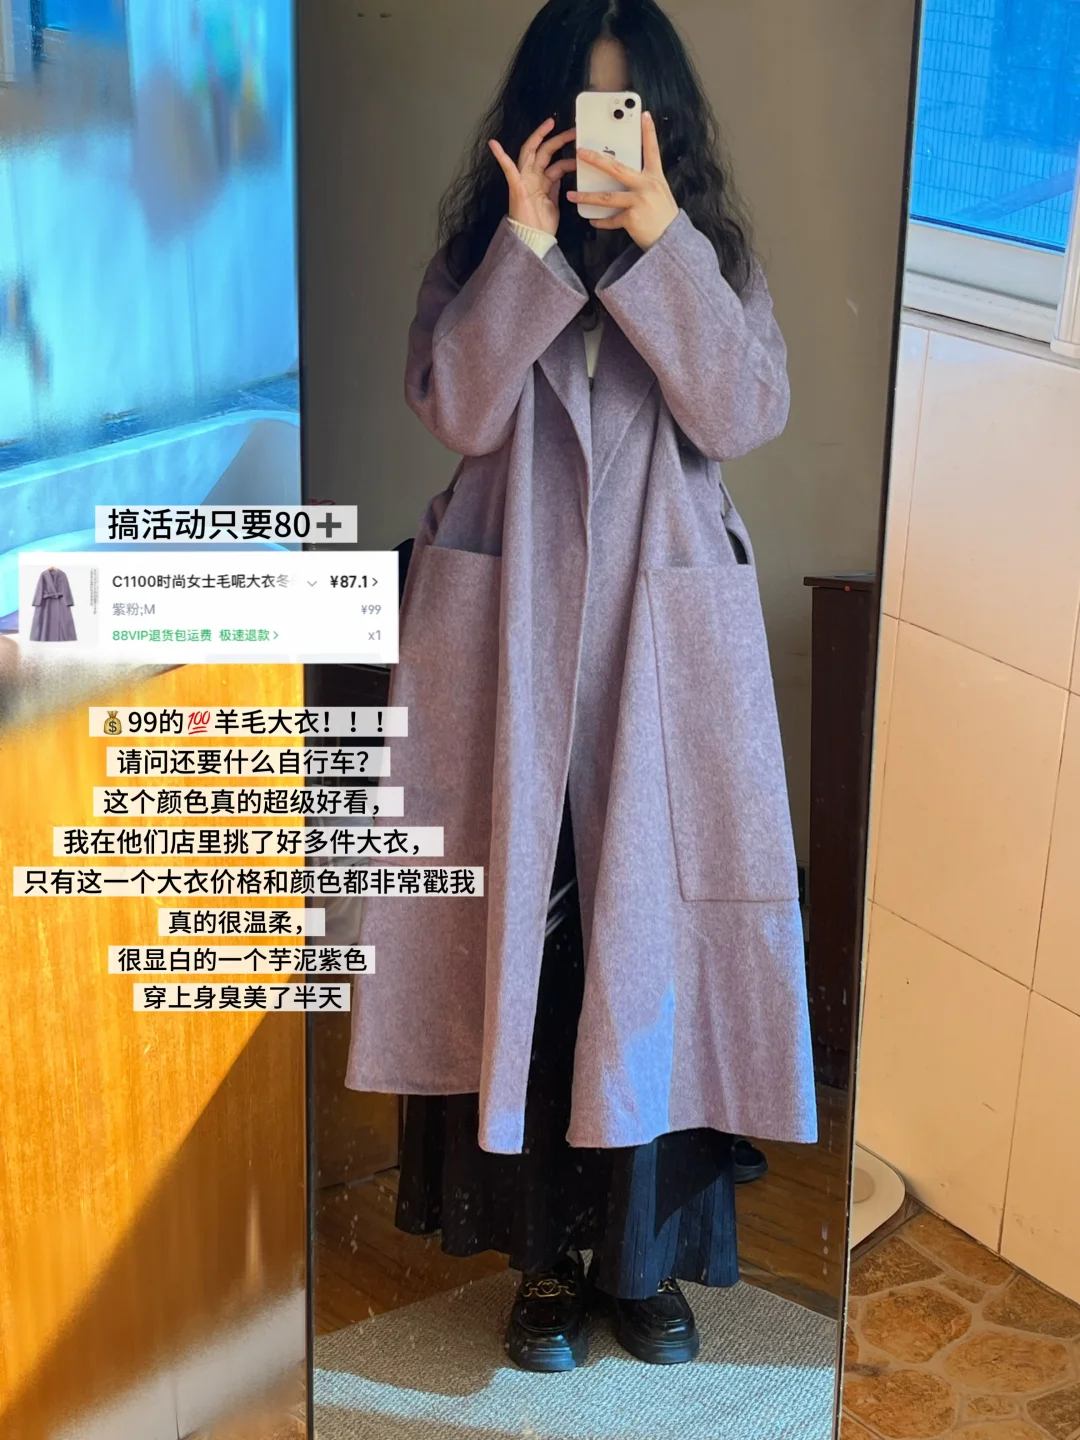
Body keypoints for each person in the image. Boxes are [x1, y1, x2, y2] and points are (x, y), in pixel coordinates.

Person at [346, 0, 817, 1373]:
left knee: (650, 950)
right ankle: (543, 1266)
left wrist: (665, 243)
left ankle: (644, 1265)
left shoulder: (711, 257)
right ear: (537, 121)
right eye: (585, 110)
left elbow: (743, 412)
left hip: (662, 660)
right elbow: (457, 410)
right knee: (533, 953)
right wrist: (527, 249)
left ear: (665, 125)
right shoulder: (481, 257)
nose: (610, 140)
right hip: (508, 647)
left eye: (633, 113)